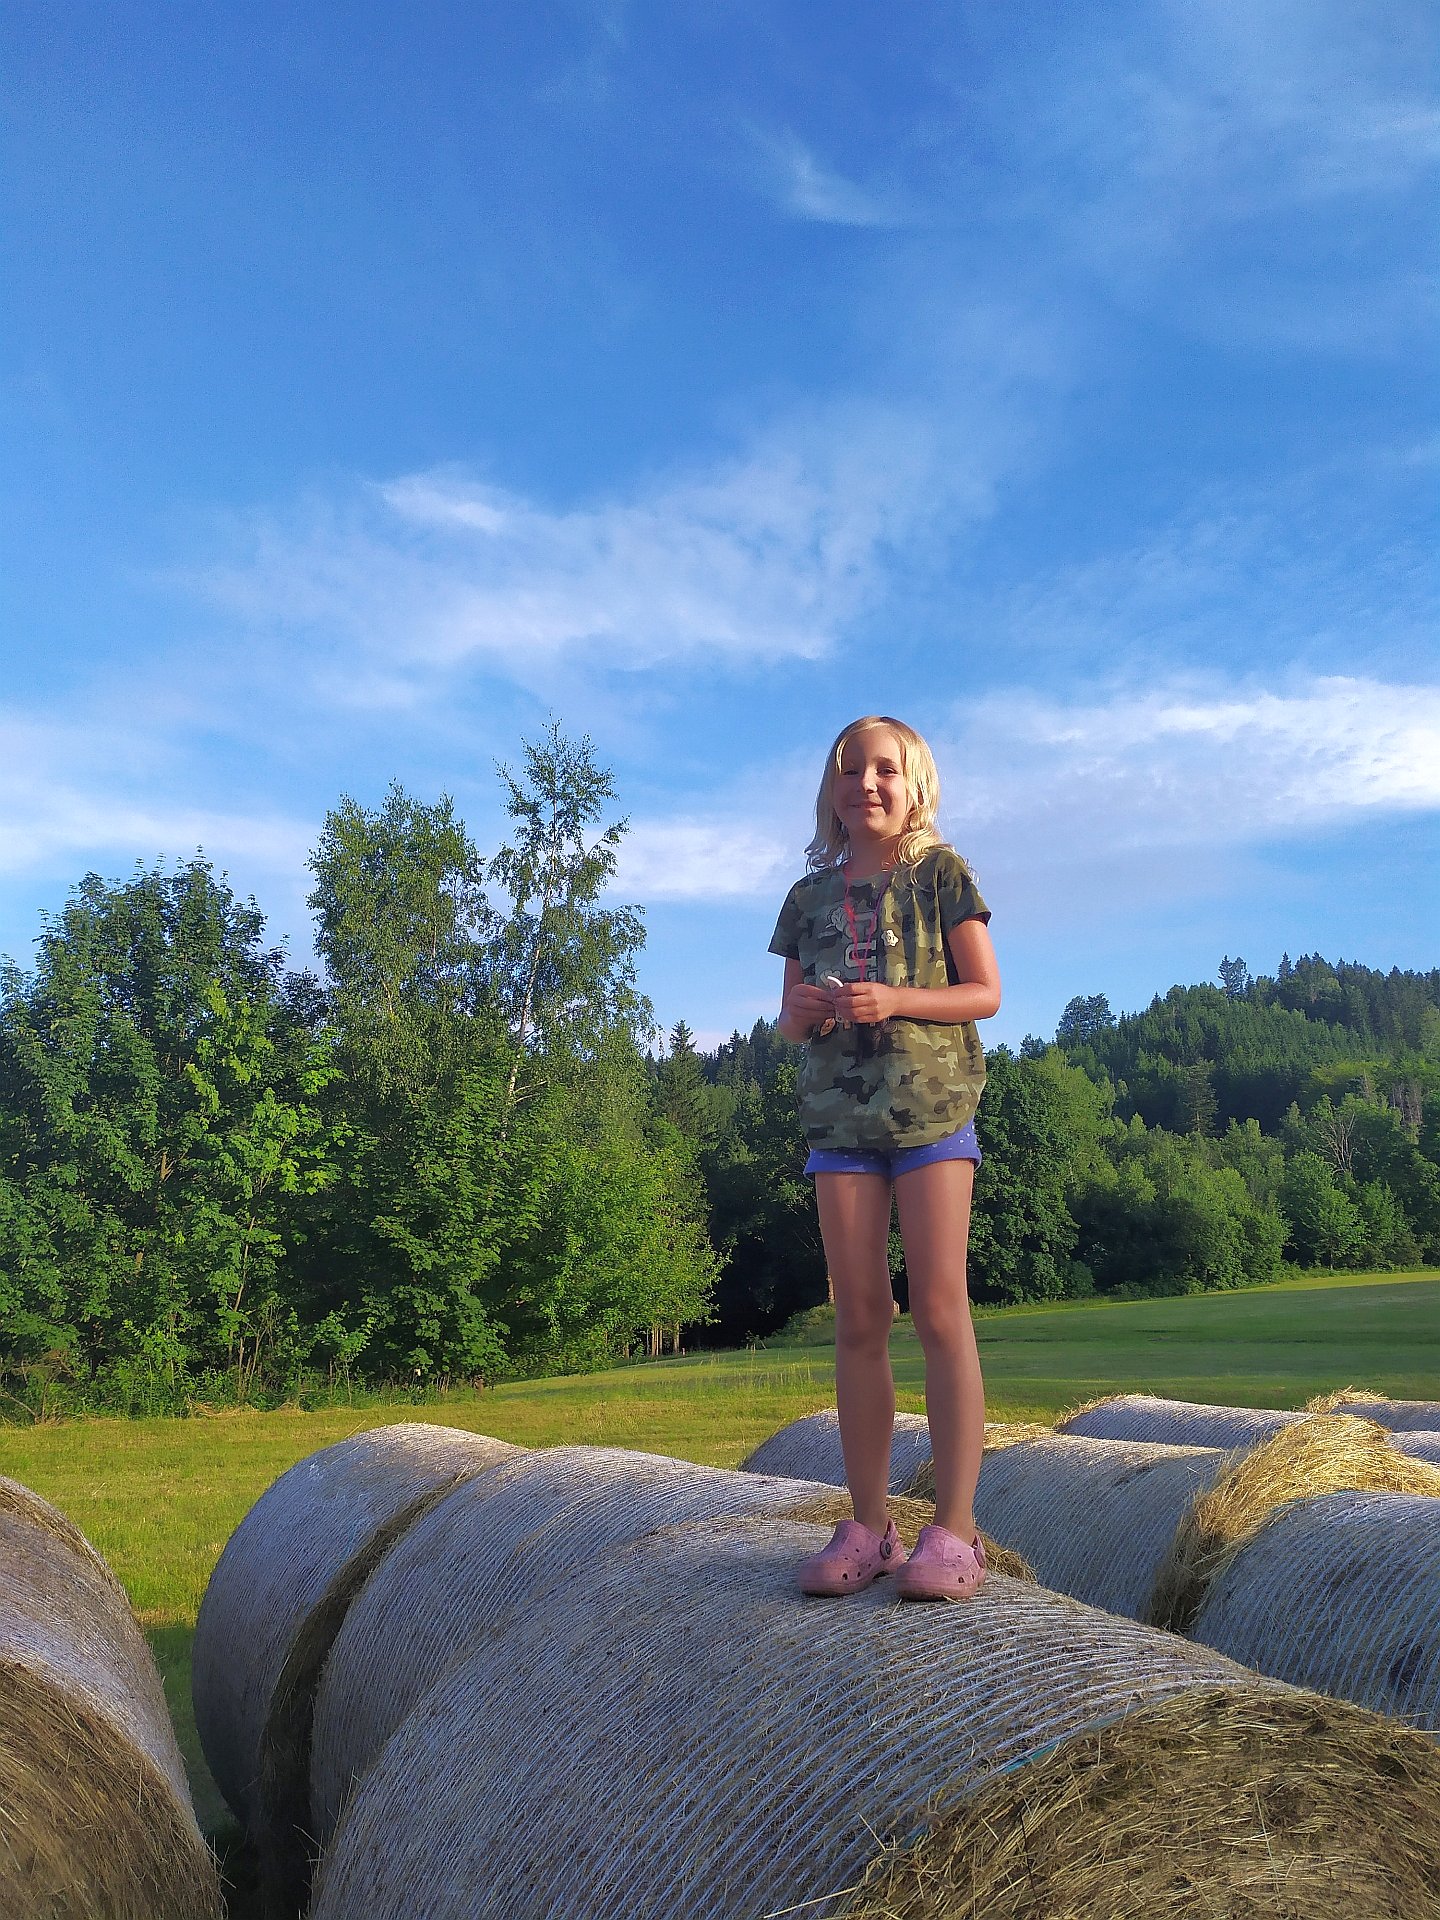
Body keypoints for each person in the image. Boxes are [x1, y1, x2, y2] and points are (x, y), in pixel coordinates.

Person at [769, 715, 1001, 1601]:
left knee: (940, 1309)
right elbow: (787, 1021)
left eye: (885, 770)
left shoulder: (943, 875)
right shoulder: (807, 898)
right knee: (860, 1318)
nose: (866, 783)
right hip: (838, 1124)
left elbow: (985, 992)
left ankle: (956, 1531)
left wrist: (894, 999)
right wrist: (804, 1014)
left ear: (915, 788)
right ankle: (868, 1527)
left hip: (931, 1113)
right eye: (849, 770)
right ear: (830, 791)